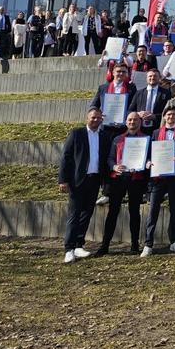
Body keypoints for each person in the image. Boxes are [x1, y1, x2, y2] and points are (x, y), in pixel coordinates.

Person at [58, 107, 110, 263]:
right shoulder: (76, 134)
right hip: (77, 181)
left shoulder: (103, 136)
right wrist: (63, 180)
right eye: (93, 117)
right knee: (74, 215)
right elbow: (66, 157)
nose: (96, 120)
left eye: (99, 118)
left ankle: (78, 245)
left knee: (87, 214)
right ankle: (69, 249)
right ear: (87, 118)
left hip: (94, 180)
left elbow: (104, 160)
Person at [97, 112, 149, 256]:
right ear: (126, 122)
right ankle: (105, 245)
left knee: (134, 212)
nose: (132, 122)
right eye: (130, 120)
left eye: (135, 120)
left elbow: (148, 158)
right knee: (113, 212)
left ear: (140, 122)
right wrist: (115, 167)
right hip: (118, 179)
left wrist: (145, 163)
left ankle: (134, 245)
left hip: (136, 179)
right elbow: (110, 159)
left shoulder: (146, 139)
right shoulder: (117, 139)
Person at [141, 106, 175, 256]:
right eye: (168, 114)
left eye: (173, 114)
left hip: (174, 178)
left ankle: (174, 241)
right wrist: (148, 162)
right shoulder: (155, 133)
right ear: (164, 117)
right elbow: (148, 153)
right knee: (153, 210)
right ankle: (148, 243)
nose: (171, 117)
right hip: (158, 177)